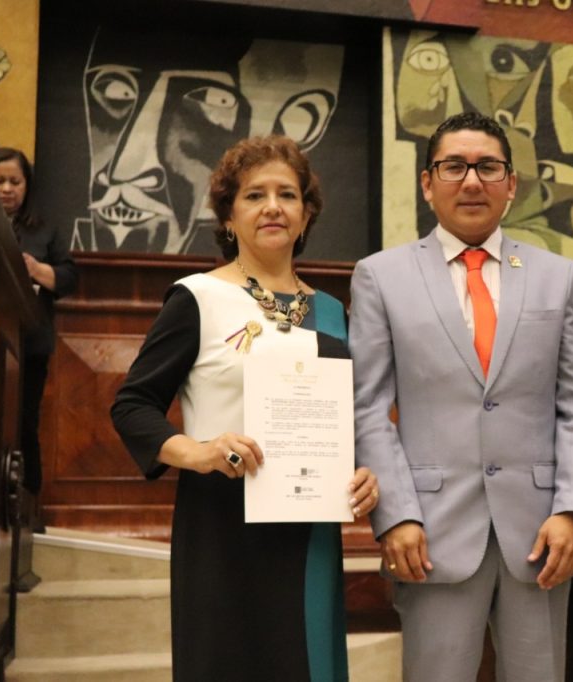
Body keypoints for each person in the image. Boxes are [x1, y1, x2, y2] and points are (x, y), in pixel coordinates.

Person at [111, 135, 379, 681]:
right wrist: (199, 450)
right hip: (221, 524)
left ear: (306, 216)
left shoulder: (332, 310)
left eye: (288, 194)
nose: (274, 206)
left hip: (308, 529)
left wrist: (363, 473)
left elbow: (342, 417)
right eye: (255, 195)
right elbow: (133, 404)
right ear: (229, 217)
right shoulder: (196, 298)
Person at [349, 112, 573, 681]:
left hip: (541, 536)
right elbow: (367, 406)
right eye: (454, 166)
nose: (471, 181)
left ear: (511, 184)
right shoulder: (380, 276)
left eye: (488, 167)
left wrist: (571, 508)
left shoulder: (555, 275)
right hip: (429, 533)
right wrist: (396, 514)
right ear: (426, 183)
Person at [0, 147, 78, 528]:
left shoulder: (44, 230)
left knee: (24, 423)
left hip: (29, 345)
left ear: (26, 186)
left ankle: (26, 509)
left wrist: (37, 269)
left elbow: (69, 279)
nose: (6, 189)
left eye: (14, 182)